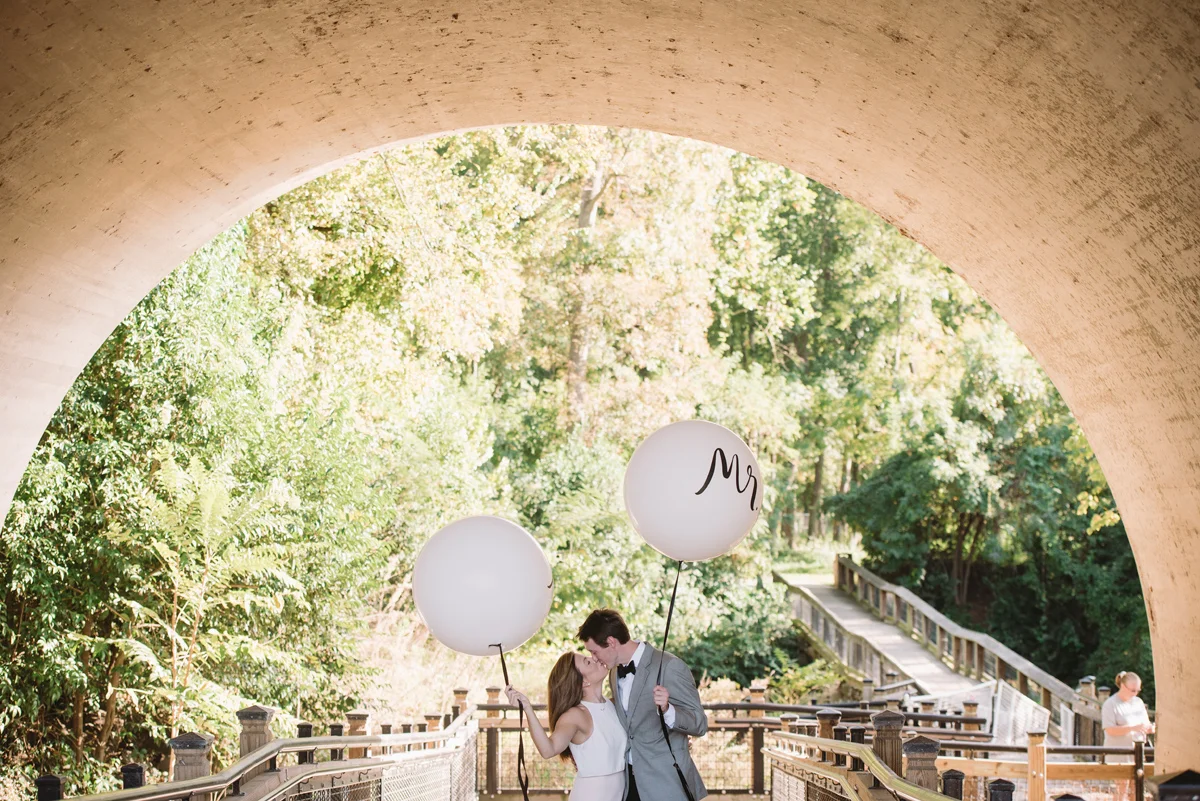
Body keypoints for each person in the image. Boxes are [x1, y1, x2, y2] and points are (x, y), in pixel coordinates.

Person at [577, 608, 707, 801]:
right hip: (629, 784)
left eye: (594, 651)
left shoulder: (670, 666)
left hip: (666, 785)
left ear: (611, 642)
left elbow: (700, 723)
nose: (594, 658)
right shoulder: (613, 673)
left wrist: (668, 710)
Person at [506, 651, 627, 801]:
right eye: (588, 662)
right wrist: (527, 708)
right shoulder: (575, 715)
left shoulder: (612, 704)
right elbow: (548, 750)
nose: (594, 658)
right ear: (583, 682)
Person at [1102, 671, 1154, 801]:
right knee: (1122, 789)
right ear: (1123, 687)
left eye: (1137, 690)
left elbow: (1146, 723)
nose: (1135, 693)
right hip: (1119, 753)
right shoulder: (1110, 704)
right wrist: (1133, 728)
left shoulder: (1138, 702)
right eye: (1132, 690)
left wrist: (1150, 728)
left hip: (1137, 753)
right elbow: (1110, 730)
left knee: (1137, 789)